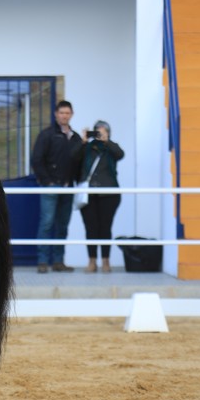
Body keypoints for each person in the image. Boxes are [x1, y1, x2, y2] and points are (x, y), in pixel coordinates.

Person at [30, 100, 83, 274]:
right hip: (50, 188)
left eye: (67, 113)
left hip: (68, 188)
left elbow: (78, 161)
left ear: (72, 114)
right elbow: (37, 160)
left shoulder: (75, 138)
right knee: (46, 223)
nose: (64, 116)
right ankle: (43, 261)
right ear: (56, 114)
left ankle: (59, 261)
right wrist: (48, 182)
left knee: (63, 225)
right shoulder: (47, 135)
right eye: (61, 113)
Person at [72, 120, 124, 273]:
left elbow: (120, 154)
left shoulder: (111, 148)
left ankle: (106, 261)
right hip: (88, 195)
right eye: (97, 132)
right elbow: (73, 157)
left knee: (105, 228)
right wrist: (83, 142)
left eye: (102, 132)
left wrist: (107, 141)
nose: (99, 135)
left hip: (109, 194)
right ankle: (92, 261)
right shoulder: (87, 148)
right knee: (91, 228)